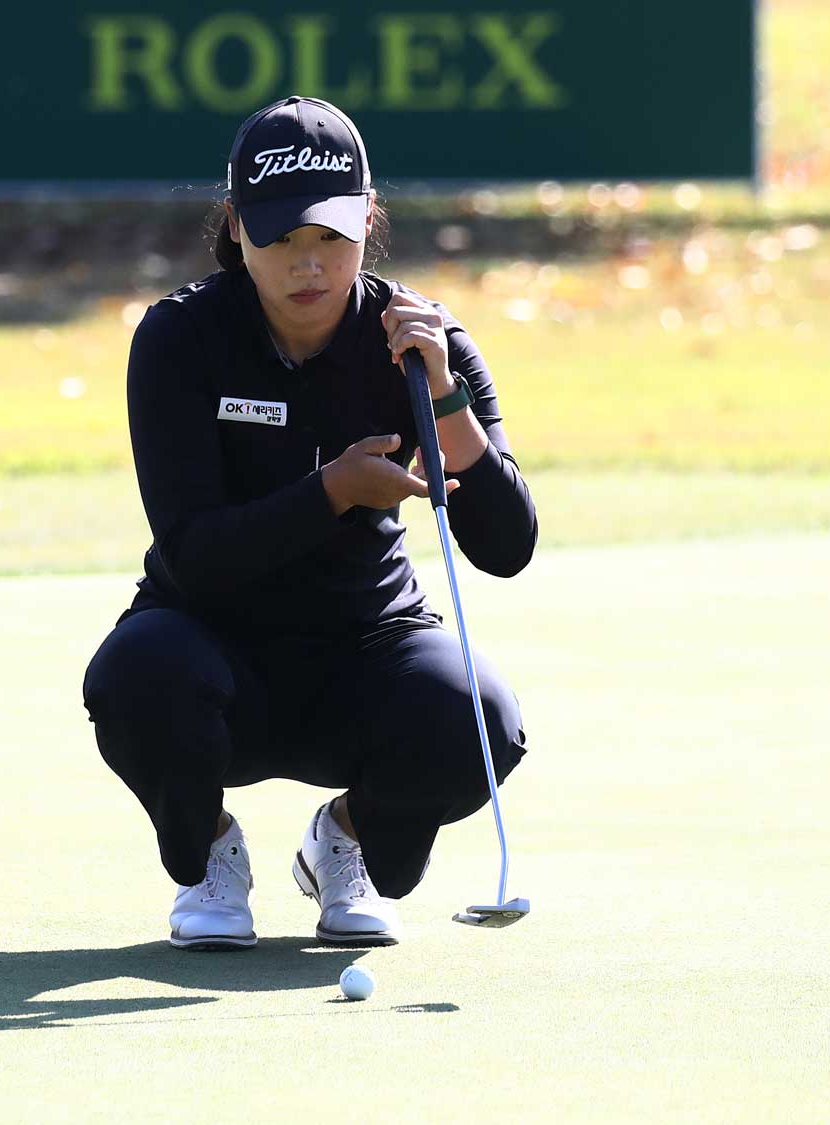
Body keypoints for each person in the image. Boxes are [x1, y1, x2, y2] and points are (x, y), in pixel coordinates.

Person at [81, 96, 538, 951]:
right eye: (282, 239)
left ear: (368, 221)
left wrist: (444, 399)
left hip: (366, 648)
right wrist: (330, 491)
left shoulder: (423, 341)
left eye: (331, 237)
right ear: (236, 230)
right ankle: (211, 852)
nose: (309, 265)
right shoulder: (181, 338)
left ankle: (347, 840)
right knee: (137, 677)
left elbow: (507, 547)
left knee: (475, 715)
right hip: (209, 643)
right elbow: (195, 555)